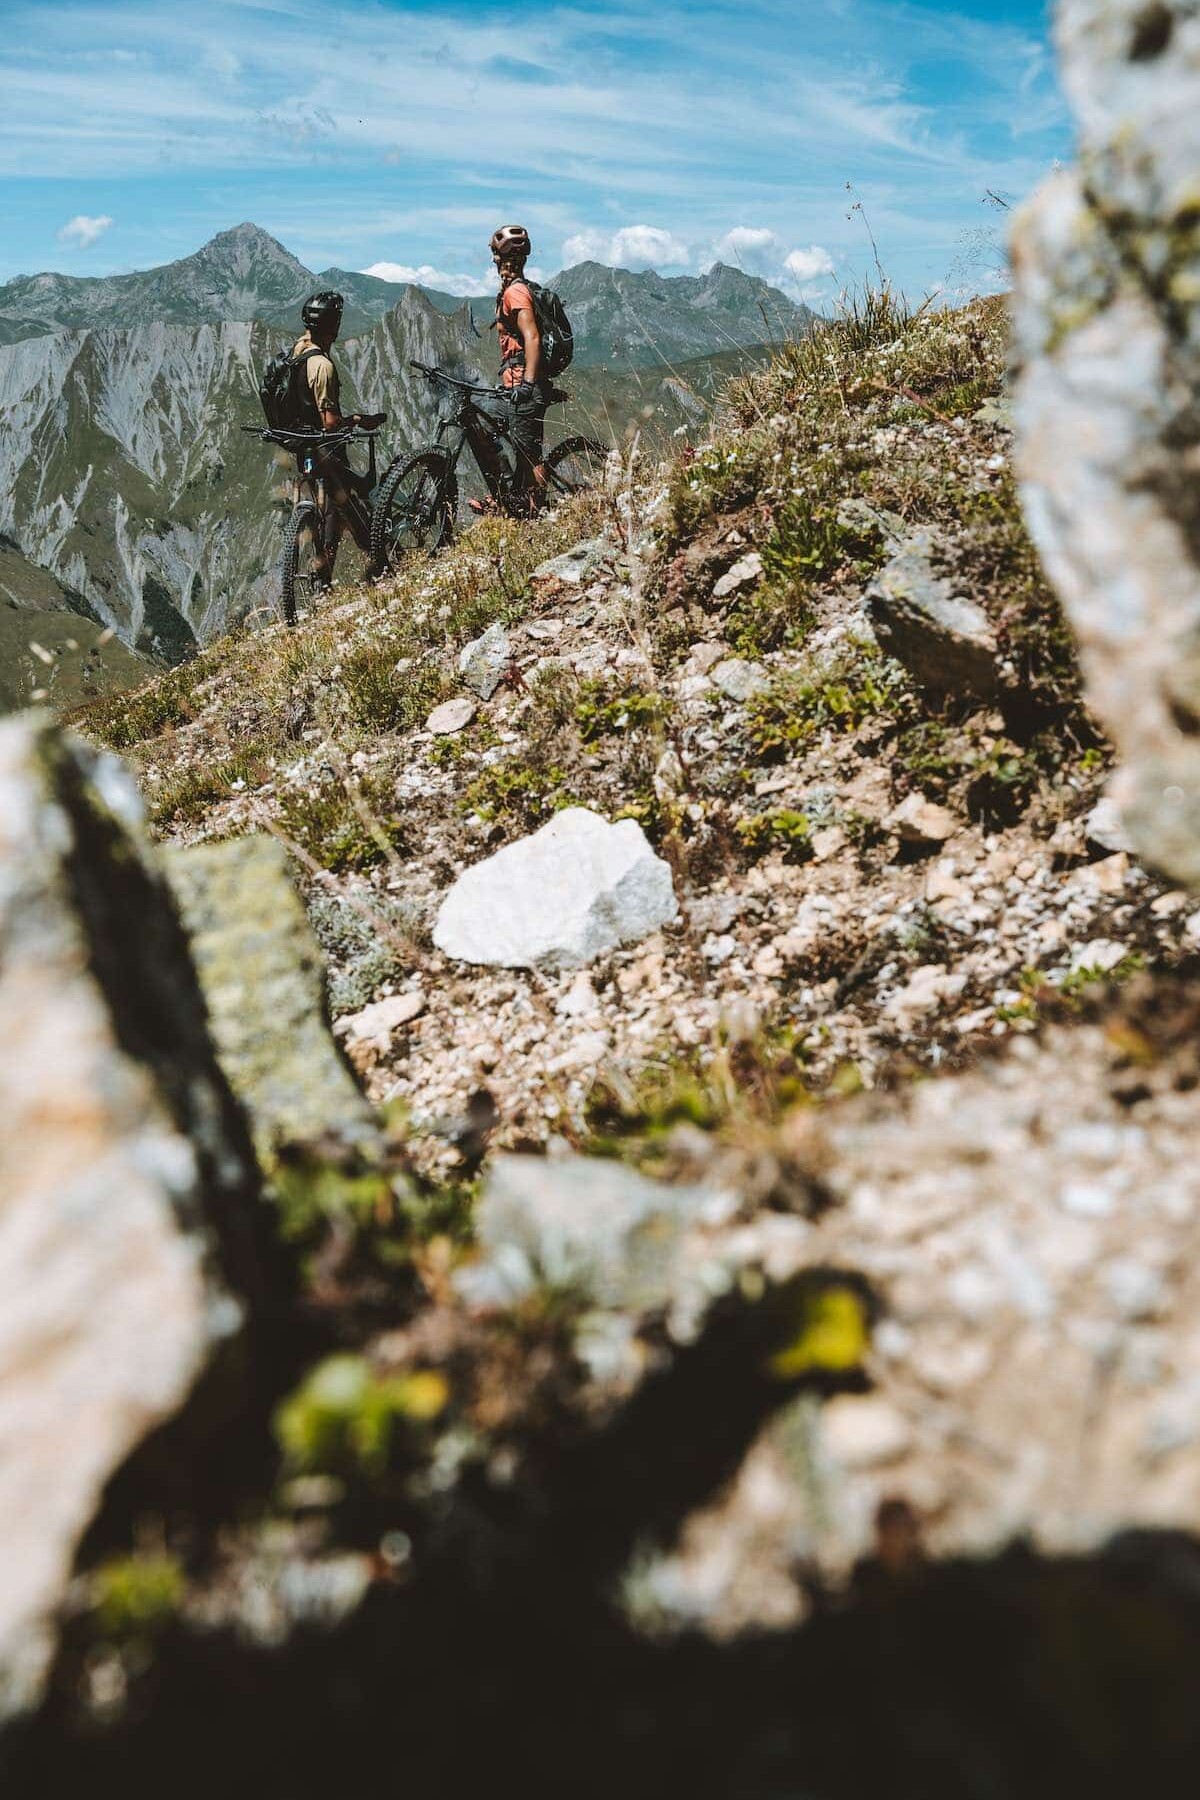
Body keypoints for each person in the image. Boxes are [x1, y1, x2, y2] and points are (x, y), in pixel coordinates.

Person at [291, 290, 387, 585]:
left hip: (301, 444)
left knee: (333, 507)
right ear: (333, 325)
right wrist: (358, 420)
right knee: (348, 503)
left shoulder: (297, 351)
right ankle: (379, 562)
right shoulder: (323, 366)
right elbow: (331, 422)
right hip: (325, 447)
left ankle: (324, 579)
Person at [489, 224, 548, 511]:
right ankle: (508, 494)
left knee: (529, 454)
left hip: (523, 385)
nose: (493, 262)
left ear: (503, 258)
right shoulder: (513, 289)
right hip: (511, 384)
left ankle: (538, 514)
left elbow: (532, 336)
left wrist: (527, 384)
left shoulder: (516, 293)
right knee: (487, 421)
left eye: (495, 256)